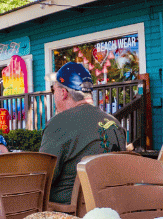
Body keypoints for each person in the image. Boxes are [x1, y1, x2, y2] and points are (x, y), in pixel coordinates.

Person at [40, 60, 126, 204]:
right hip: (111, 208)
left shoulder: (59, 124)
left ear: (63, 93)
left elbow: (42, 179)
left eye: (53, 90)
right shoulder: (115, 124)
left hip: (67, 216)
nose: (53, 95)